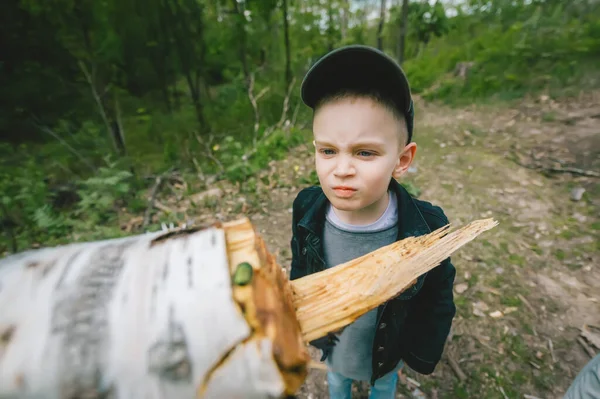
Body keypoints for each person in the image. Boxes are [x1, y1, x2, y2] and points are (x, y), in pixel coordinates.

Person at [289, 45, 457, 399]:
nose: (342, 169)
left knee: (383, 387)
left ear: (402, 159)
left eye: (365, 152)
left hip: (386, 349)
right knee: (338, 382)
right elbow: (301, 264)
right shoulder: (307, 207)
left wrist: (421, 351)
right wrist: (297, 316)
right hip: (336, 346)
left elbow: (437, 296)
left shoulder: (425, 227)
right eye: (328, 150)